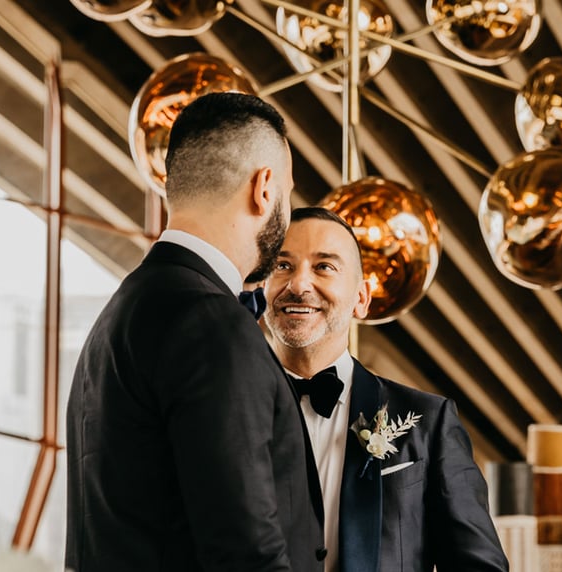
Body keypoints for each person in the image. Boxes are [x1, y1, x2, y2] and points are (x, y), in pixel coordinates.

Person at [65, 93, 325, 572]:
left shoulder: (123, 312)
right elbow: (245, 552)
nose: (287, 214)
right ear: (264, 188)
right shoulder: (212, 323)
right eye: (288, 195)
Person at [263, 206, 509, 572]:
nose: (298, 286)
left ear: (362, 299)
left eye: (324, 267)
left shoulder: (430, 423)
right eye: (282, 265)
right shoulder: (221, 414)